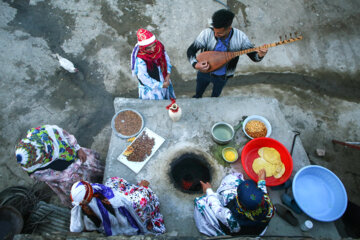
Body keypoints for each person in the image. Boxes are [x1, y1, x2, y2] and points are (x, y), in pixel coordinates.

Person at [15, 125, 104, 206]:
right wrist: (64, 188)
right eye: (37, 163)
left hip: (75, 159)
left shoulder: (47, 132)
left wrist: (78, 149)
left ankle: (100, 178)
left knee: (93, 167)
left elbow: (67, 136)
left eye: (40, 159)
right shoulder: (30, 165)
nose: (40, 162)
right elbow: (49, 178)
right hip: (64, 178)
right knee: (83, 191)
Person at [187, 9, 268, 98]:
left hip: (222, 76)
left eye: (220, 33)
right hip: (204, 73)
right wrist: (195, 64)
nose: (215, 34)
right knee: (199, 91)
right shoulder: (207, 33)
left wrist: (260, 55)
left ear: (229, 28)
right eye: (214, 31)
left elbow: (254, 57)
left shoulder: (241, 38)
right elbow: (191, 51)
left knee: (215, 95)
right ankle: (198, 96)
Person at [70, 177, 166, 236]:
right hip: (120, 215)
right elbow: (119, 208)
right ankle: (146, 219)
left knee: (114, 181)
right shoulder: (96, 207)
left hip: (114, 206)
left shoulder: (90, 195)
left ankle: (137, 189)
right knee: (142, 200)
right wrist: (142, 188)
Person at [194, 169, 274, 236]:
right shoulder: (268, 208)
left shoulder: (231, 217)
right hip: (256, 228)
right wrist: (261, 181)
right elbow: (262, 194)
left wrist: (208, 191)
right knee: (233, 178)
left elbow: (216, 208)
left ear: (240, 204)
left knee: (201, 203)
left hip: (233, 228)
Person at [131, 28, 176, 100]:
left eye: (153, 45)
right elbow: (143, 77)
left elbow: (167, 61)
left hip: (164, 82)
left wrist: (167, 76)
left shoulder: (159, 47)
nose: (152, 49)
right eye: (148, 48)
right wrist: (160, 85)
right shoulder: (140, 59)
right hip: (152, 90)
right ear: (143, 48)